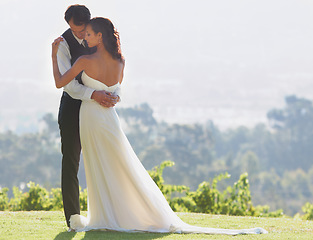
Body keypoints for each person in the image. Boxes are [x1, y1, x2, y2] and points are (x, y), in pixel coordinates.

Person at [51, 17, 268, 235]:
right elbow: (116, 91)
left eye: (88, 34)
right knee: (117, 164)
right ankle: (116, 213)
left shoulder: (85, 61)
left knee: (100, 165)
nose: (84, 38)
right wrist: (112, 97)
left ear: (99, 36)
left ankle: (109, 215)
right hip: (109, 118)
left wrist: (54, 56)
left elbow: (60, 82)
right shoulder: (120, 62)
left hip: (90, 116)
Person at [56, 5, 120, 230]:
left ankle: (112, 213)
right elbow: (68, 85)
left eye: (84, 30)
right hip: (73, 107)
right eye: (76, 30)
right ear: (69, 25)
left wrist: (110, 95)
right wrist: (94, 94)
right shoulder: (62, 45)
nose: (82, 35)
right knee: (71, 160)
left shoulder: (98, 38)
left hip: (98, 109)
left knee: (108, 159)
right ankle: (73, 218)